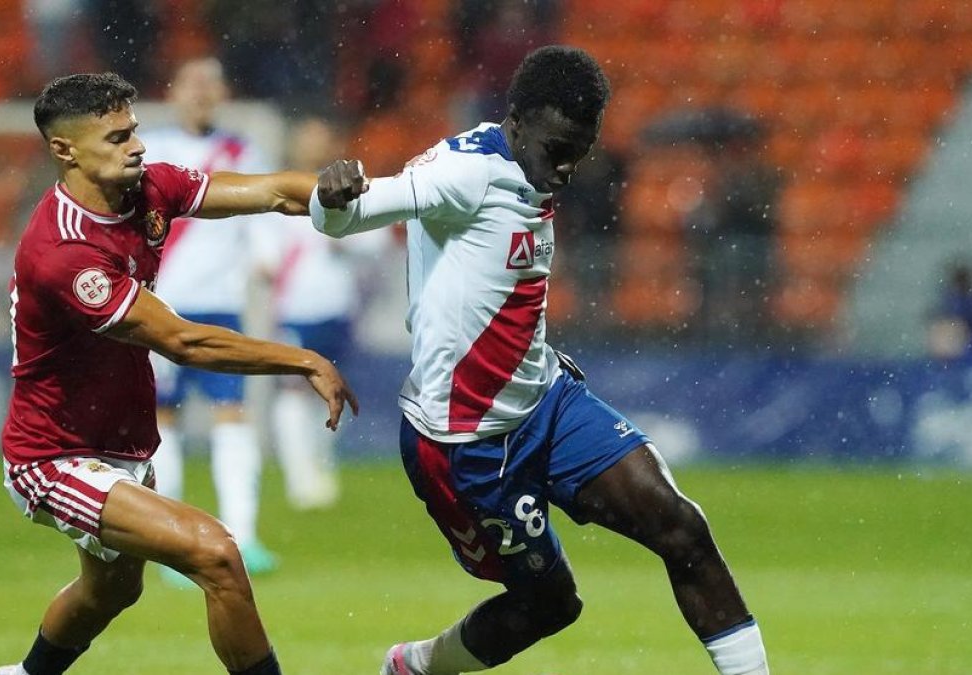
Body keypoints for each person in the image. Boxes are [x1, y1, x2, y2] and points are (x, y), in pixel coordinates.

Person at [311, 46, 770, 675]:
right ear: (516, 122)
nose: (566, 168)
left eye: (580, 150)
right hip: (465, 443)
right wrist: (329, 194)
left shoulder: (532, 161)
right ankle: (414, 668)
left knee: (682, 529)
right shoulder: (463, 174)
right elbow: (343, 217)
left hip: (547, 402)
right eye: (556, 148)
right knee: (550, 604)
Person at [0, 72, 361, 675]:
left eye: (133, 131)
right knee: (215, 554)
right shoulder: (64, 253)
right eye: (115, 138)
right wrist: (302, 359)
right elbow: (182, 341)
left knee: (112, 591)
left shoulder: (146, 188)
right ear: (65, 151)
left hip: (124, 446)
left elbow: (268, 192)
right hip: (54, 456)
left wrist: (339, 192)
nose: (136, 147)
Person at [138, 57, 280, 578]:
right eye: (191, 83)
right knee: (161, 419)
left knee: (232, 417)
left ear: (222, 93)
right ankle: (171, 543)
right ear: (173, 90)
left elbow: (264, 216)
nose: (200, 93)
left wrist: (267, 257)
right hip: (158, 307)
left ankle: (242, 535)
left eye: (209, 84)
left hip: (220, 308)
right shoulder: (148, 148)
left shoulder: (243, 151)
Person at [261, 116, 395, 510]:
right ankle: (299, 475)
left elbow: (380, 238)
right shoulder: (280, 186)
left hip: (336, 307)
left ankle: (321, 464)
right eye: (307, 138)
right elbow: (261, 242)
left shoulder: (350, 186)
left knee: (332, 386)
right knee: (292, 388)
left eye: (320, 138)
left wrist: (348, 244)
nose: (314, 146)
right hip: (292, 308)